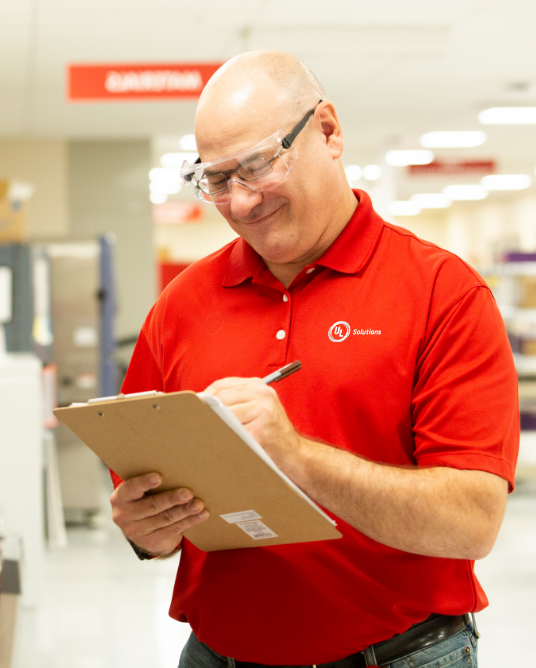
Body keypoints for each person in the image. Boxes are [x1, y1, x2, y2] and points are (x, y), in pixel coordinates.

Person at [109, 51, 519, 668]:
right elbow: (143, 483)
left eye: (257, 165)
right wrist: (147, 527)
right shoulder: (180, 308)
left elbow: (473, 521)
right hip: (216, 652)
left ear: (327, 131)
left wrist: (297, 457)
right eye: (217, 179)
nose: (241, 202)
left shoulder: (443, 293)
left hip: (399, 655)